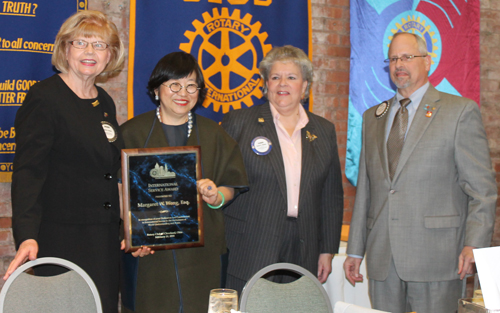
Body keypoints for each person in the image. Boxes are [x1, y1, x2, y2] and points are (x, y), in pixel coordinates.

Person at [344, 32, 497, 313]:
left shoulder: (459, 112)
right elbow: (366, 189)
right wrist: (355, 250)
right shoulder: (372, 117)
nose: (399, 64)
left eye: (407, 57)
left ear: (427, 61)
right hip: (383, 258)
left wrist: (474, 244)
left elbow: (482, 191)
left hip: (438, 257)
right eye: (393, 59)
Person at [4, 10, 125, 313]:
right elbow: (29, 172)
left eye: (99, 45)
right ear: (65, 49)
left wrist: (128, 227)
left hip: (104, 239)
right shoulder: (44, 97)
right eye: (80, 42)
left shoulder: (104, 101)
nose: (89, 52)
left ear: (110, 55)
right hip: (61, 237)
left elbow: (109, 174)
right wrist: (28, 234)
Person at [119, 51, 249, 313]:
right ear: (157, 89)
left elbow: (231, 187)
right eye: (174, 85)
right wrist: (131, 234)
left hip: (204, 252)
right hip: (151, 253)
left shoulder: (215, 134)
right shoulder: (133, 132)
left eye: (191, 86)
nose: (183, 93)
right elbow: (121, 191)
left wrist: (216, 196)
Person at [221, 45, 344, 293]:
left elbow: (331, 195)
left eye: (291, 77)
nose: (282, 84)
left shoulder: (323, 130)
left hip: (304, 246)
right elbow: (222, 180)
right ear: (265, 84)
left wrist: (327, 249)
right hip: (251, 245)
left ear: (305, 86)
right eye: (275, 77)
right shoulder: (239, 123)